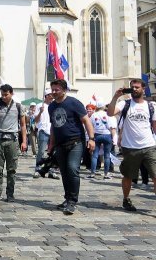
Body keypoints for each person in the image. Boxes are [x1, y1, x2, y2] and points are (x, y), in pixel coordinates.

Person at [107, 79, 156, 211]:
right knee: (128, 176)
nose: (134, 89)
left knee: (155, 175)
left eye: (137, 87)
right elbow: (110, 113)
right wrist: (115, 97)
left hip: (149, 146)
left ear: (143, 89)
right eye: (132, 87)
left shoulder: (151, 106)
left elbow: (154, 126)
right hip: (130, 147)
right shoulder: (125, 104)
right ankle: (126, 198)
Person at [47, 79, 95, 215]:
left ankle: (73, 201)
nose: (54, 92)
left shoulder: (74, 103)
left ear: (64, 89)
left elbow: (86, 120)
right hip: (60, 144)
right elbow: (53, 126)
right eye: (53, 89)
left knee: (72, 169)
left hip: (75, 142)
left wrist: (91, 139)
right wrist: (51, 144)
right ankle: (67, 198)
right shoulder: (51, 107)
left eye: (57, 90)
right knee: (64, 172)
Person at [0, 84, 27, 203]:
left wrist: (24, 141)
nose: (4, 97)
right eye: (2, 95)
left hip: (12, 140)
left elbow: (23, 125)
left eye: (6, 94)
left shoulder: (18, 106)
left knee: (11, 169)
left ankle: (10, 194)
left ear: (11, 93)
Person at [33, 89, 58, 179]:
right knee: (41, 151)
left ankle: (51, 170)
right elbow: (35, 120)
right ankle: (38, 169)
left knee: (53, 152)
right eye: (50, 95)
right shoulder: (40, 105)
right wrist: (40, 111)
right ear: (46, 96)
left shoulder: (54, 105)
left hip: (53, 131)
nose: (52, 96)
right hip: (43, 130)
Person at [88, 103, 115, 180]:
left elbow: (91, 126)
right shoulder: (108, 114)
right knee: (107, 155)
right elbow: (111, 126)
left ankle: (92, 173)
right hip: (107, 134)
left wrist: (91, 138)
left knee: (95, 155)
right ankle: (106, 174)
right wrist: (113, 137)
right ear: (103, 106)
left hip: (97, 134)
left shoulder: (94, 115)